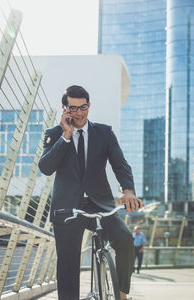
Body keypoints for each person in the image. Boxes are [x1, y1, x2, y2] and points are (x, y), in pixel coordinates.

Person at [38, 85, 142, 300]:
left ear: (89, 105)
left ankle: (121, 295)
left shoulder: (104, 133)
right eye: (72, 108)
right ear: (65, 109)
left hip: (100, 204)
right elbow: (46, 167)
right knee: (67, 264)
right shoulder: (54, 134)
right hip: (67, 209)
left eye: (82, 107)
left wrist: (129, 191)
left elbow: (120, 164)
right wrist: (65, 137)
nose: (78, 113)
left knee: (125, 240)